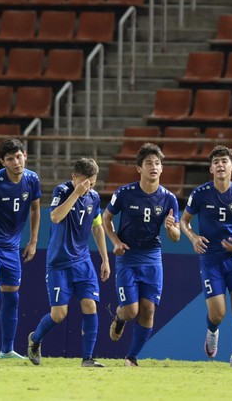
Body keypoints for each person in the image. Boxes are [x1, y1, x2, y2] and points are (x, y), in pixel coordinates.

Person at [179, 145, 232, 369]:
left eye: (224, 161)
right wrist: (193, 238)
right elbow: (184, 221)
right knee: (218, 313)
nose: (220, 164)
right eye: (216, 161)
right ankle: (212, 330)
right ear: (211, 168)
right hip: (210, 259)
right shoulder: (200, 194)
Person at [27, 158, 110, 368]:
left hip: (83, 262)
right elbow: (55, 217)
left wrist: (105, 259)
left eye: (92, 182)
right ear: (74, 177)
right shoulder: (62, 191)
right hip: (59, 263)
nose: (88, 186)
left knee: (90, 305)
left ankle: (88, 358)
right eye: (84, 181)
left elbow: (97, 227)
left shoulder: (94, 198)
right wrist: (76, 193)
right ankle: (34, 340)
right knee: (59, 314)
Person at [102, 143, 180, 367]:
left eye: (157, 163)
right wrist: (115, 241)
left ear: (162, 169)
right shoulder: (124, 193)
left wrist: (170, 228)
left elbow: (176, 237)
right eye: (148, 163)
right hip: (128, 256)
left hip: (152, 257)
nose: (153, 167)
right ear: (139, 169)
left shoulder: (169, 199)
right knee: (131, 310)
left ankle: (131, 358)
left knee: (148, 310)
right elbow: (106, 218)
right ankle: (119, 317)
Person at [0, 138, 41, 360]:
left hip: (12, 248)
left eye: (19, 156)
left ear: (25, 155)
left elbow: (35, 209)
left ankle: (7, 350)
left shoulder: (32, 179)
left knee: (12, 298)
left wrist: (33, 241)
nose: (16, 162)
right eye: (10, 159)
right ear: (2, 162)